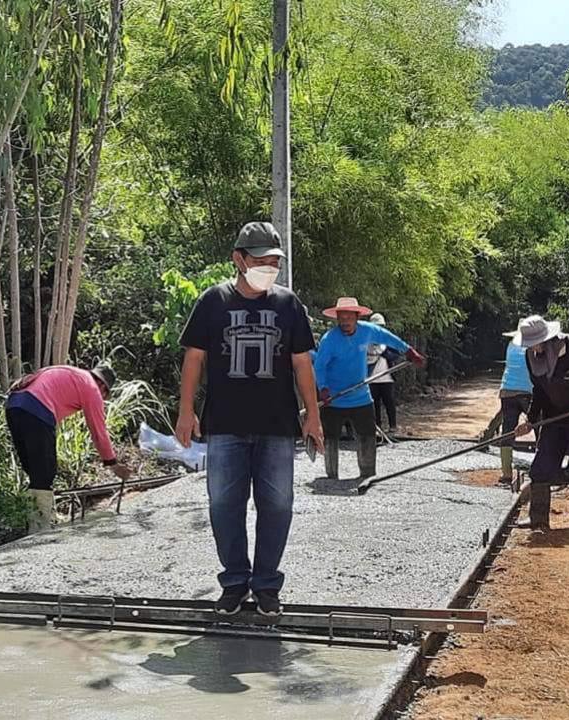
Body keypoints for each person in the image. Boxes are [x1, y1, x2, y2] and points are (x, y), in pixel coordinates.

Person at [174, 221, 323, 617]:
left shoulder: (288, 305)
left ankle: (267, 585)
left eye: (274, 261)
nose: (269, 267)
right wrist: (186, 411)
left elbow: (302, 364)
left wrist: (313, 416)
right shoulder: (213, 302)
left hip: (277, 425)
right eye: (260, 260)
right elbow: (194, 359)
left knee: (278, 504)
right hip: (224, 424)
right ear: (238, 259)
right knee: (224, 504)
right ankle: (235, 583)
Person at [5, 364, 132, 533]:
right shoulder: (92, 388)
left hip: (14, 405)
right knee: (45, 472)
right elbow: (98, 431)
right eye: (105, 395)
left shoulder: (71, 373)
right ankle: (40, 528)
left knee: (35, 470)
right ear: (103, 386)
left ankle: (36, 520)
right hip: (37, 408)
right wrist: (113, 464)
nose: (103, 398)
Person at [313, 298, 425, 480]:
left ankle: (367, 473)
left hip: (360, 395)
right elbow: (319, 366)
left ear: (357, 317)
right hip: (334, 397)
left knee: (366, 434)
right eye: (342, 318)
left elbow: (388, 338)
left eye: (349, 318)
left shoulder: (368, 331)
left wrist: (408, 351)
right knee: (331, 438)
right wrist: (323, 388)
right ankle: (331, 475)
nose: (345, 322)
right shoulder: (329, 340)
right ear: (337, 319)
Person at [514, 315, 569, 531]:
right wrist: (529, 420)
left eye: (535, 345)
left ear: (548, 339)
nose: (533, 350)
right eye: (529, 346)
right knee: (541, 466)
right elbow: (539, 391)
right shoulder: (531, 357)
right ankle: (538, 518)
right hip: (553, 418)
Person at [497, 330, 533, 485]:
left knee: (508, 430)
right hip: (528, 391)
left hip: (507, 391)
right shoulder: (533, 347)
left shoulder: (511, 345)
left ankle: (506, 474)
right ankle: (541, 468)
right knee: (538, 426)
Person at [366, 313, 401, 434]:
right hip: (371, 379)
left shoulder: (388, 340)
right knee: (373, 404)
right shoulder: (364, 341)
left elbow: (396, 354)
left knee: (389, 402)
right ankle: (377, 427)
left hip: (387, 378)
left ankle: (393, 426)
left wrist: (384, 352)